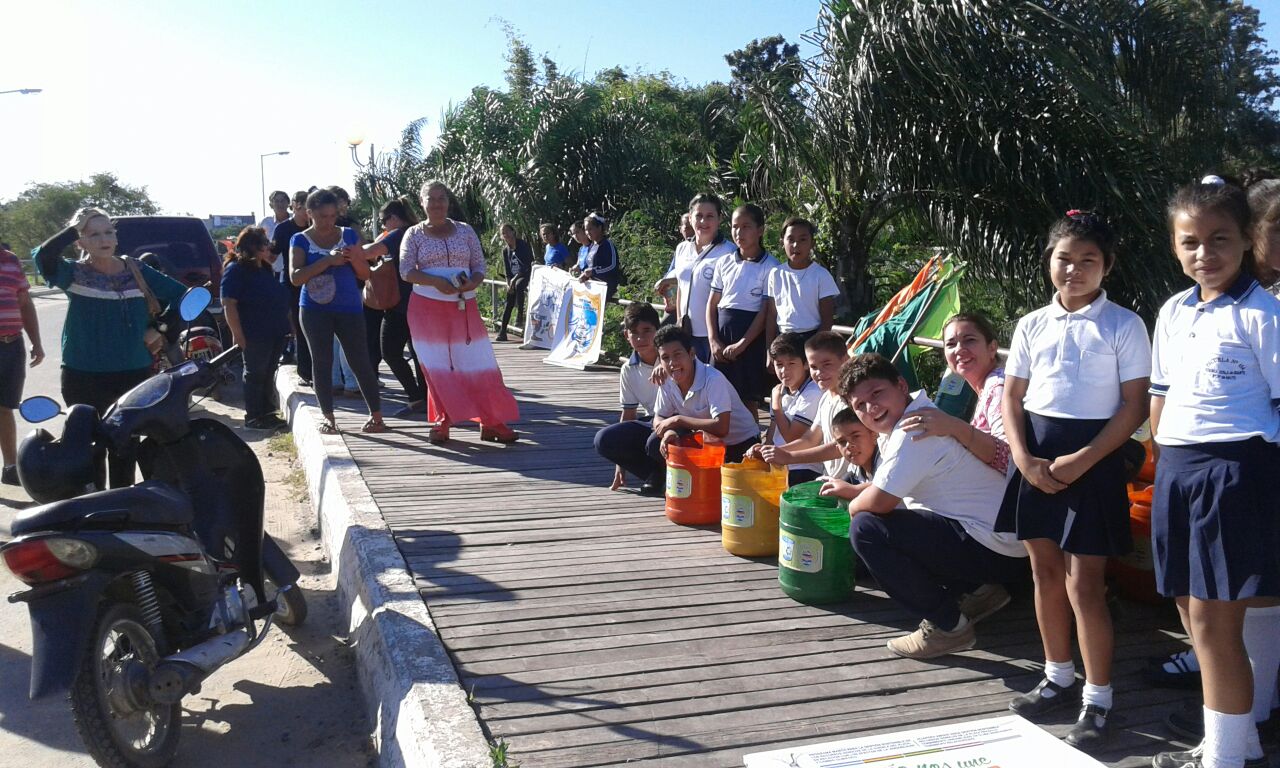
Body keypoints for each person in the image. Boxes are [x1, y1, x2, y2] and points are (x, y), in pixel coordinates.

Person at [997, 210, 1151, 752]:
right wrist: (1025, 458)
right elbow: (1011, 396)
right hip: (1035, 460)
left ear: (1106, 266)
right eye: (1065, 258)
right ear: (1049, 262)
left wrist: (1082, 461)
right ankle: (1058, 675)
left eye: (1088, 260)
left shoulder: (1125, 325)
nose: (1075, 269)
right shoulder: (1031, 324)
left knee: (1085, 585)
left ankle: (1098, 697)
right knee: (1044, 572)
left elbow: (1133, 408)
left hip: (1094, 461)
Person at [1146, 177, 1280, 768]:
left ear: (1247, 241)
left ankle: (1225, 759)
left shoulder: (1264, 312)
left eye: (1220, 239)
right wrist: (1162, 464)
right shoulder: (1174, 310)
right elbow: (1160, 396)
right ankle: (1237, 743)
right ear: (1175, 248)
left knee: (1215, 621)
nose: (1206, 254)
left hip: (1236, 471)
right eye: (1191, 242)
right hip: (1178, 466)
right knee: (1189, 609)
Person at [828, 354, 1028, 660]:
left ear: (901, 385)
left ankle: (949, 627)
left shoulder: (914, 430)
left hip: (997, 549)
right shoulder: (918, 414)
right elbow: (891, 483)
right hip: (1003, 543)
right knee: (898, 519)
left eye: (877, 394)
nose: (871, 408)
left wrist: (854, 504)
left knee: (867, 529)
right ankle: (980, 591)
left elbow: (879, 501)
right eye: (860, 405)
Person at [35, 207, 186, 487]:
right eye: (92, 234)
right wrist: (72, 227)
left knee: (124, 448)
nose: (103, 239)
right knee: (88, 449)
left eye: (108, 232)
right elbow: (43, 257)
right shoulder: (73, 274)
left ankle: (120, 510)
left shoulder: (137, 270)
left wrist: (160, 328)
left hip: (132, 375)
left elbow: (183, 297)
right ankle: (95, 511)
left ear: (116, 237)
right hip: (82, 376)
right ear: (80, 242)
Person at [400, 181, 519, 444]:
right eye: (431, 199)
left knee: (478, 362)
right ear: (422, 202)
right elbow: (406, 270)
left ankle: (491, 420)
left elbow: (479, 264)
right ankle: (442, 420)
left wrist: (474, 282)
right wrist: (436, 282)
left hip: (464, 306)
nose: (437, 204)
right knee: (437, 366)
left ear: (448, 201)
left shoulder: (465, 231)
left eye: (441, 198)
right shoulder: (414, 234)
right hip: (426, 309)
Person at [289, 189, 385, 435]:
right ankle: (328, 418)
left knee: (360, 361)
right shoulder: (299, 240)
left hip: (349, 308)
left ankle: (377, 417)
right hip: (313, 309)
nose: (328, 222)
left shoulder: (349, 235)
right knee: (321, 363)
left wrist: (356, 259)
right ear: (309, 213)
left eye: (332, 216)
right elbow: (295, 277)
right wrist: (326, 262)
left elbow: (366, 275)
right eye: (322, 216)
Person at [898, 313, 1011, 474]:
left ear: (992, 348)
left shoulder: (997, 386)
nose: (959, 349)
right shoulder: (988, 388)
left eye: (969, 340)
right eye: (951, 344)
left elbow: (1010, 459)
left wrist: (952, 426)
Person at [347, 198, 427, 418]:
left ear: (394, 218)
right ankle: (426, 399)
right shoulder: (417, 232)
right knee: (419, 353)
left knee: (390, 351)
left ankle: (416, 397)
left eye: (384, 221)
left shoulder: (400, 233)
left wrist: (348, 250)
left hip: (401, 304)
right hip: (419, 301)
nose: (383, 226)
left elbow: (370, 251)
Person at [647, 325, 760, 469]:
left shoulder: (713, 379)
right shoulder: (666, 378)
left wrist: (678, 420)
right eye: (665, 357)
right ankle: (661, 480)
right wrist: (669, 431)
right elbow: (659, 417)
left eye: (677, 354)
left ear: (692, 353)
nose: (672, 363)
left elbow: (721, 428)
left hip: (740, 444)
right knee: (655, 443)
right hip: (706, 441)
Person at [707, 203, 777, 414]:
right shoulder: (724, 262)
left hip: (750, 340)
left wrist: (742, 344)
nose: (739, 232)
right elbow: (712, 304)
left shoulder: (771, 266)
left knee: (748, 401)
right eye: (735, 226)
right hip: (722, 336)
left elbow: (765, 311)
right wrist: (713, 340)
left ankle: (752, 442)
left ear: (760, 230)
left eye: (746, 226)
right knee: (719, 398)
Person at [755, 331, 850, 482]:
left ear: (845, 360)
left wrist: (788, 456)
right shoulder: (826, 397)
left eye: (827, 364)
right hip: (830, 479)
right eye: (814, 367)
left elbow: (842, 446)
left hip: (849, 480)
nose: (819, 373)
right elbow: (810, 438)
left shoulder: (851, 400)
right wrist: (769, 451)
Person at [220, 226, 291, 431]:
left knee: (268, 372)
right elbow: (229, 303)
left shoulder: (264, 268)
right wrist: (237, 334)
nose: (267, 246)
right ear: (251, 246)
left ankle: (267, 412)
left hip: (275, 331)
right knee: (255, 374)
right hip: (254, 332)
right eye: (263, 242)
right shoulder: (236, 269)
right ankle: (254, 415)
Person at [656, 193, 736, 362]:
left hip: (713, 336)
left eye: (709, 216)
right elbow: (681, 288)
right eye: (698, 216)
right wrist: (679, 320)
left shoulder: (729, 252)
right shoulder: (682, 249)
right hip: (686, 333)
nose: (703, 222)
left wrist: (715, 337)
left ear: (719, 219)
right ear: (690, 217)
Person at [593, 303, 663, 494]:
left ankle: (673, 475)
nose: (641, 338)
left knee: (654, 442)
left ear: (658, 331)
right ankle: (655, 474)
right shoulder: (628, 369)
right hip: (653, 422)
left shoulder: (671, 357)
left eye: (647, 330)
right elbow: (629, 414)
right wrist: (620, 463)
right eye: (634, 332)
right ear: (627, 336)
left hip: (680, 420)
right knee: (605, 439)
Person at [0, 242, 43, 485]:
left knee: (4, 408)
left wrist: (36, 342)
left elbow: (24, 303)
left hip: (11, 345)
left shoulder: (10, 260)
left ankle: (10, 467)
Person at [764, 216, 840, 350]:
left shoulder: (821, 275)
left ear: (812, 243)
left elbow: (827, 319)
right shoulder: (776, 273)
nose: (795, 245)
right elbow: (771, 315)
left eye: (802, 240)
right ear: (782, 242)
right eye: (790, 239)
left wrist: (815, 348)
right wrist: (769, 349)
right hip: (783, 339)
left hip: (812, 338)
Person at [762, 332, 824, 486]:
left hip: (804, 467)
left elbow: (792, 437)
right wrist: (764, 453)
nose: (784, 371)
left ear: (805, 364)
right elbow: (772, 431)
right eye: (779, 364)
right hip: (780, 464)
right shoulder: (779, 390)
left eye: (791, 364)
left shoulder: (813, 392)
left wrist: (776, 405)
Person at [273, 191, 311, 383]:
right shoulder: (283, 230)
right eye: (306, 208)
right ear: (295, 207)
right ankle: (305, 372)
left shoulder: (317, 227)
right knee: (300, 327)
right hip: (293, 285)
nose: (309, 213)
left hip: (317, 284)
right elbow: (271, 255)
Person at [819, 407, 879, 494]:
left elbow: (886, 485)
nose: (849, 445)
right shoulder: (854, 469)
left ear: (874, 435)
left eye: (856, 436)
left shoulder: (886, 458)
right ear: (838, 448)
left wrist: (851, 489)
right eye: (842, 442)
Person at [496, 224, 533, 341]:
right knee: (509, 300)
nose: (506, 235)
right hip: (512, 278)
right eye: (503, 233)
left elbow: (526, 265)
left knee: (519, 285)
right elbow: (507, 270)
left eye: (507, 231)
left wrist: (514, 279)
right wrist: (508, 282)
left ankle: (520, 315)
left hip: (525, 274)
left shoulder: (522, 245)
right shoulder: (505, 250)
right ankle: (503, 331)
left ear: (513, 232)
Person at [579, 213, 621, 301]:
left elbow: (612, 266)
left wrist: (594, 271)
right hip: (592, 287)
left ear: (600, 228)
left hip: (605, 288)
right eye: (586, 230)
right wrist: (585, 275)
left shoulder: (608, 245)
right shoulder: (591, 246)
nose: (587, 232)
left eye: (590, 229)